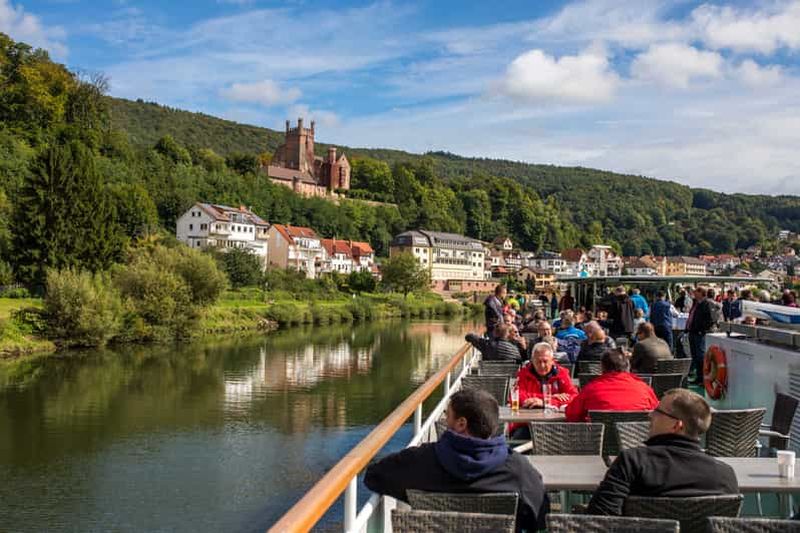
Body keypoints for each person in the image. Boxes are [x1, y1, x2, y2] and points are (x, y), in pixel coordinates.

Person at [364, 388, 550, 531]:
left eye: (447, 414)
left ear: (461, 423)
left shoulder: (421, 460)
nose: (444, 419)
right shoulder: (517, 469)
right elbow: (540, 518)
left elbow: (374, 476)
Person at [587, 389, 738, 515]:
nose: (650, 415)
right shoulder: (725, 474)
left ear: (677, 425)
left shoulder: (633, 461)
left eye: (658, 411)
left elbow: (601, 517)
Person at [565, 349, 658, 422]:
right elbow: (657, 413)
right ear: (627, 366)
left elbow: (571, 415)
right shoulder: (643, 388)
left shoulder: (591, 389)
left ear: (602, 367)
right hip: (637, 441)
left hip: (597, 442)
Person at [509, 343, 578, 438]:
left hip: (557, 423)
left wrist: (545, 402)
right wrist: (550, 398)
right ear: (532, 361)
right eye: (538, 362)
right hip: (527, 423)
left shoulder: (562, 373)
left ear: (552, 361)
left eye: (545, 361)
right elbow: (516, 396)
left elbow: (574, 397)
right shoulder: (524, 374)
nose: (542, 365)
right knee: (517, 439)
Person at [686, 286, 714, 385]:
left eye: (696, 292)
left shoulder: (706, 304)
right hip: (692, 332)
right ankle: (698, 377)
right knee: (695, 356)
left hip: (699, 333)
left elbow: (710, 320)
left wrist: (702, 330)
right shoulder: (696, 303)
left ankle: (703, 378)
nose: (694, 293)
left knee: (700, 356)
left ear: (701, 293)